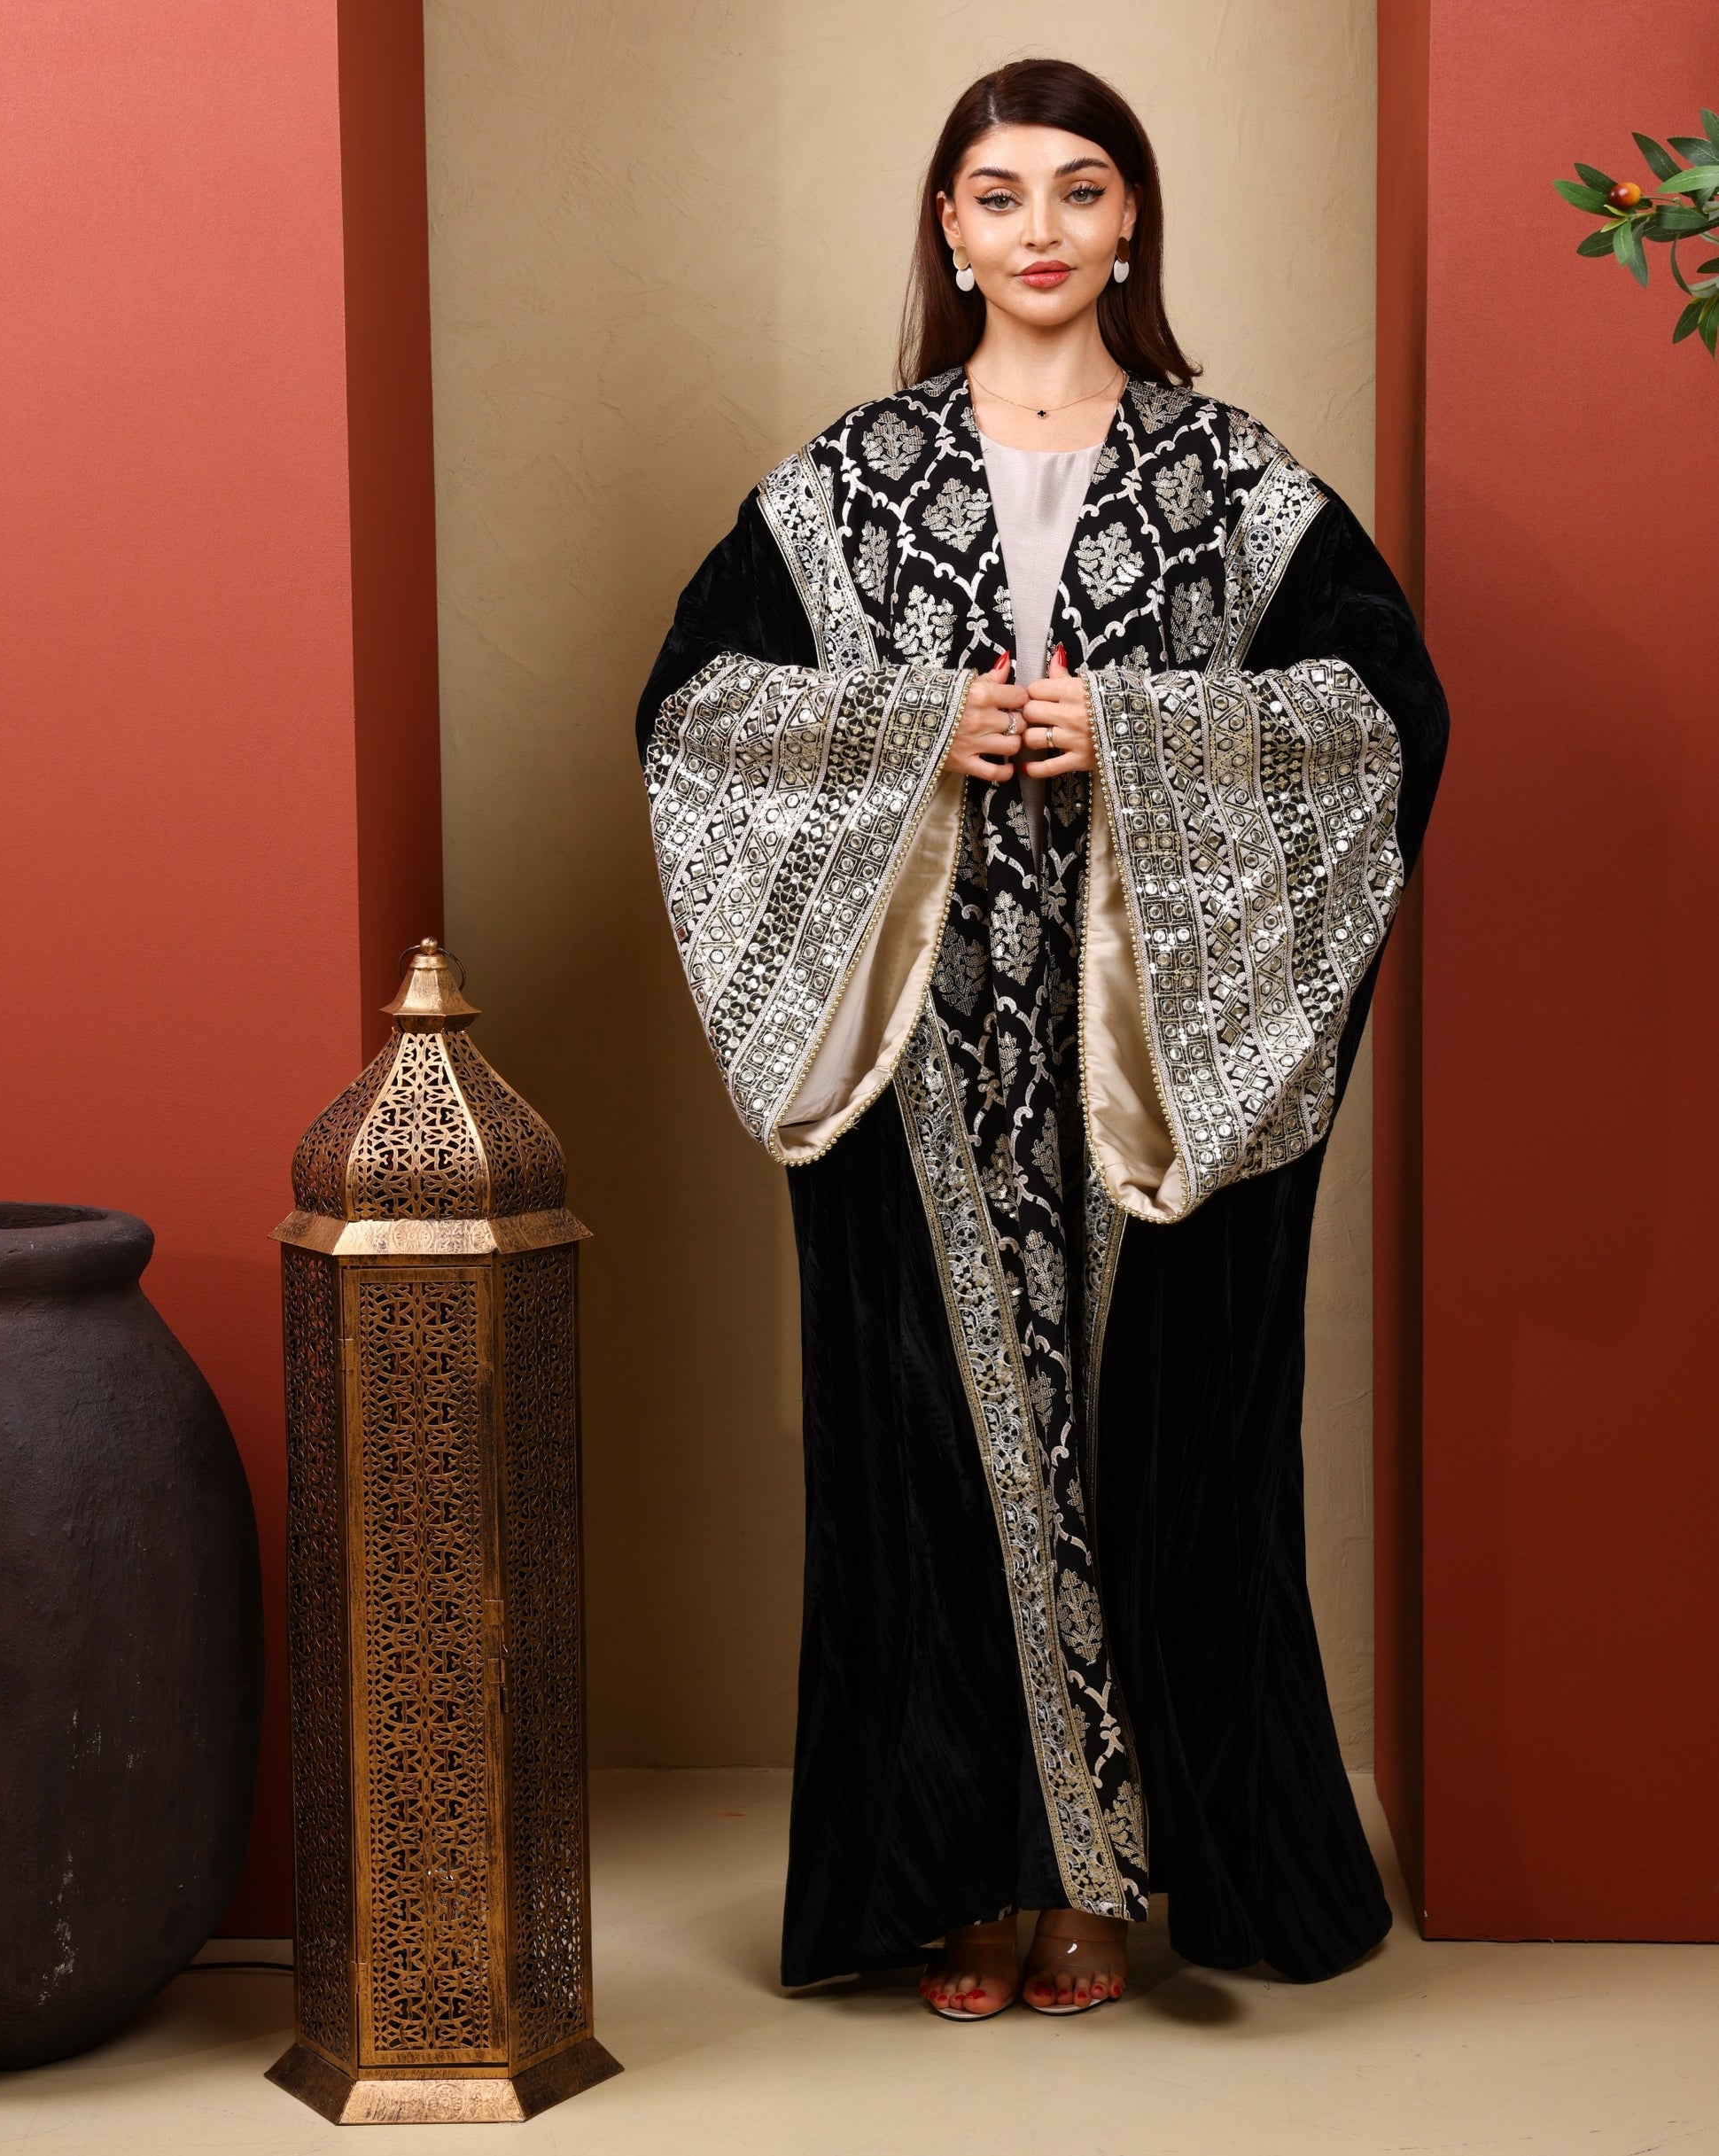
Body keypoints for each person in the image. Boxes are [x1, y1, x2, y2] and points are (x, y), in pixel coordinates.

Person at [636, 56, 1446, 2021]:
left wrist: (1142, 737)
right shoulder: (839, 485)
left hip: (1146, 1044)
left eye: (1080, 192)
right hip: (922, 1055)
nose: (1041, 232)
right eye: (1000, 196)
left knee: (1158, 1445)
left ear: (1130, 222)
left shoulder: (1233, 481)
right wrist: (921, 735)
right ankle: (954, 1881)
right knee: (917, 1454)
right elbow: (695, 716)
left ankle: (1112, 1877)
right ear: (947, 228)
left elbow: (1382, 712)